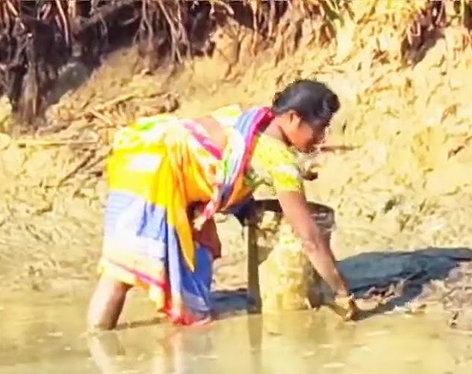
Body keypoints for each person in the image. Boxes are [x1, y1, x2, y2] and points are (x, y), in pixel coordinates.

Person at [85, 79, 358, 330]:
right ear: (293, 118)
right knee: (119, 274)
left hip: (142, 153)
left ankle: (116, 347)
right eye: (320, 128)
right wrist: (343, 291)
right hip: (153, 176)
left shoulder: (253, 120)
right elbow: (310, 238)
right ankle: (100, 346)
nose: (321, 138)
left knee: (148, 272)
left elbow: (223, 164)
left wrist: (245, 207)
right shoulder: (280, 161)